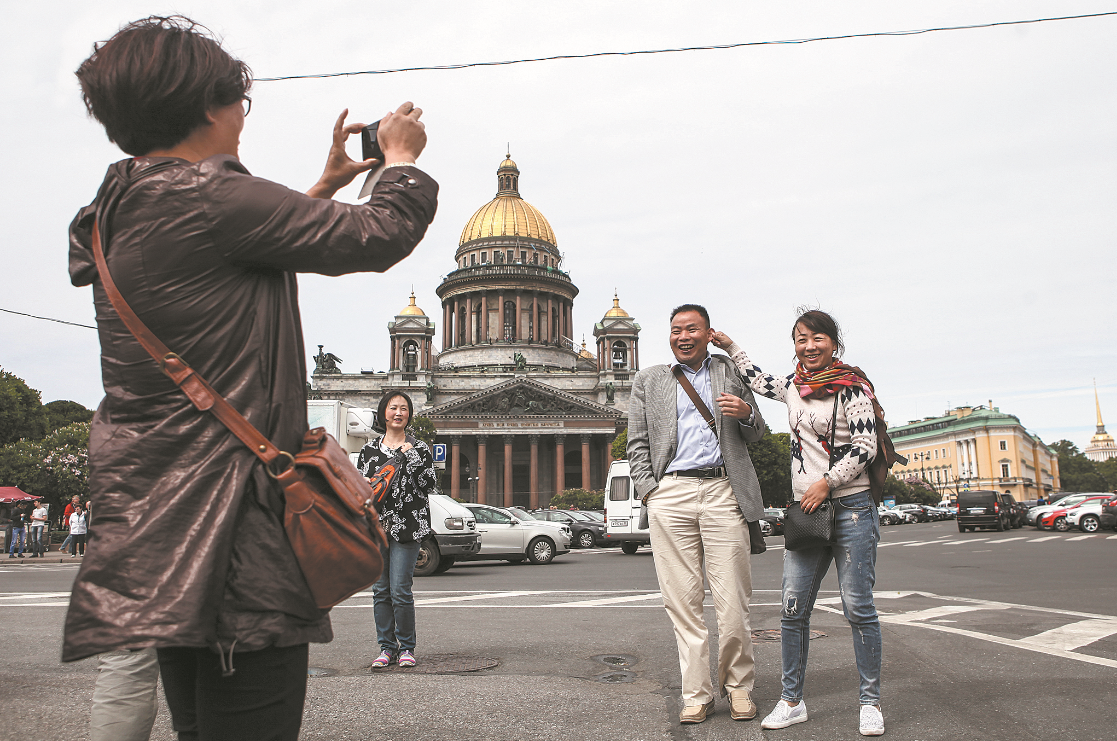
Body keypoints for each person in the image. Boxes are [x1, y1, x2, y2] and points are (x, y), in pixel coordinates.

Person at [65, 15, 436, 740]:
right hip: (234, 523)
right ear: (208, 106)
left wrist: (324, 185)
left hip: (162, 522)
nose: (242, 113)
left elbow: (222, 257)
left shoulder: (115, 209)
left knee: (199, 724)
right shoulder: (214, 198)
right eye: (240, 99)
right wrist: (399, 161)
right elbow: (382, 234)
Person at [714, 309, 885, 737]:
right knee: (792, 611)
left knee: (859, 608)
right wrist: (731, 346)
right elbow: (756, 379)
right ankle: (792, 700)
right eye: (801, 339)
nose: (809, 347)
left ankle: (870, 701)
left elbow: (864, 446)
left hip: (852, 507)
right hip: (806, 512)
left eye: (817, 338)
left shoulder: (852, 387)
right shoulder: (793, 386)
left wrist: (826, 483)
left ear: (834, 342)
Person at [626, 304, 766, 725]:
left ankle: (739, 688)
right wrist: (651, 491)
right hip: (672, 493)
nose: (682, 336)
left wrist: (747, 414)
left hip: (723, 489)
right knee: (682, 602)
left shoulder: (729, 372)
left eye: (692, 329)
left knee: (733, 601)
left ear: (708, 333)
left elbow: (758, 431)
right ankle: (697, 693)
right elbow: (636, 443)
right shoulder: (650, 380)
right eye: (675, 330)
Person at [355, 392, 434, 669]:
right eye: (393, 408)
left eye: (403, 409)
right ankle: (386, 647)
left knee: (400, 589)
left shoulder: (420, 447)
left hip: (408, 525)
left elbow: (428, 483)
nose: (398, 413)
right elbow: (359, 490)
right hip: (376, 526)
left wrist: (410, 457)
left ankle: (406, 648)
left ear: (409, 415)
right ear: (383, 413)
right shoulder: (368, 450)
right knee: (380, 590)